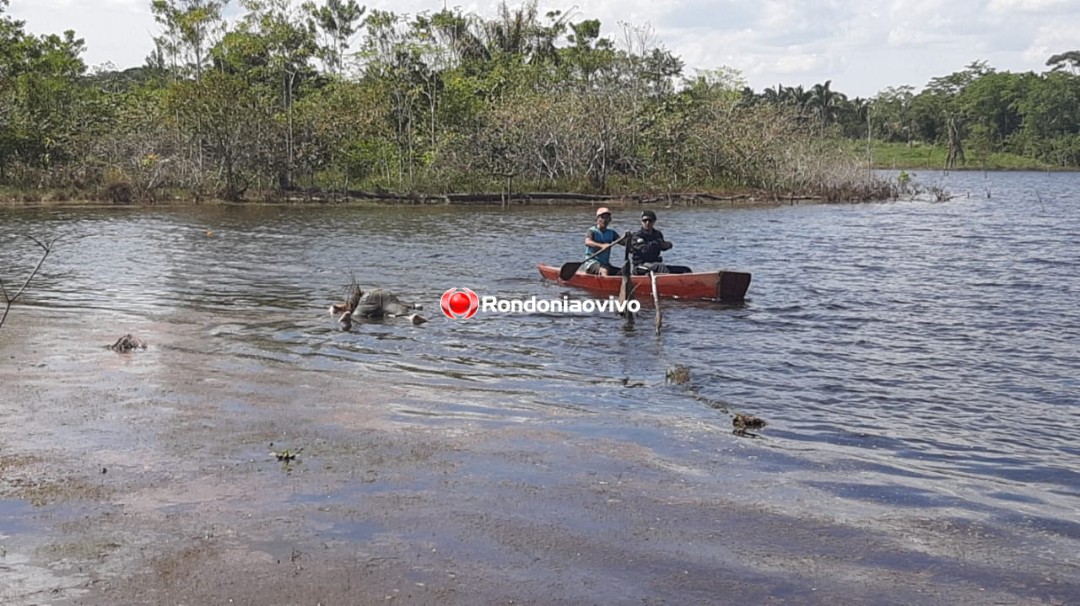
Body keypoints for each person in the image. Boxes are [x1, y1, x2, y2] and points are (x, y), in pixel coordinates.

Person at [629, 210, 691, 274]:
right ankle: (667, 283)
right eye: (645, 220)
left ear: (654, 221)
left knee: (685, 269)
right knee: (661, 268)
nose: (647, 223)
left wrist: (667, 245)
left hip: (655, 263)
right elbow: (644, 249)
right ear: (641, 221)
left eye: (650, 220)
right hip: (641, 265)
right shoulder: (637, 236)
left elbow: (662, 246)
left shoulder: (657, 234)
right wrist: (657, 243)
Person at [582, 207, 624, 275]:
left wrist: (629, 238)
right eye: (602, 217)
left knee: (624, 272)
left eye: (607, 217)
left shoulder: (611, 233)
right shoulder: (592, 231)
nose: (604, 220)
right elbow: (587, 242)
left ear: (610, 220)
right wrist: (601, 246)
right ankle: (606, 285)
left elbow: (623, 242)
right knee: (604, 270)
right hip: (592, 263)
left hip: (605, 264)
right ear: (597, 219)